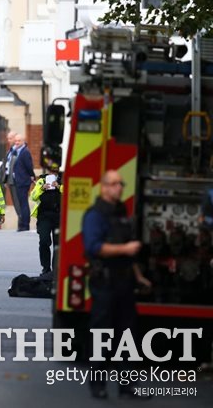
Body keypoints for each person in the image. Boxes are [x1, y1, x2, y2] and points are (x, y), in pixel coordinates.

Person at [82, 170, 151, 400]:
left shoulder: (122, 214)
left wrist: (138, 276)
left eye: (120, 184)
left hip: (125, 283)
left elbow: (128, 253)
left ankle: (127, 385)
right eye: (114, 184)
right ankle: (98, 385)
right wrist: (125, 249)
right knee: (102, 335)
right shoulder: (94, 215)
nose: (119, 187)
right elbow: (95, 247)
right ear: (103, 187)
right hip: (105, 282)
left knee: (127, 337)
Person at [30, 160, 62, 275]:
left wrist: (59, 187)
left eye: (55, 169)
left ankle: (56, 270)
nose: (53, 171)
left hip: (59, 216)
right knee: (44, 241)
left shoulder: (64, 180)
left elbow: (69, 193)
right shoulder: (41, 180)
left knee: (58, 245)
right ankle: (46, 268)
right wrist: (42, 188)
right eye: (51, 169)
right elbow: (33, 196)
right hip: (44, 216)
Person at [11, 134, 35, 231]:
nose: (16, 143)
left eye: (19, 141)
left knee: (24, 203)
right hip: (19, 180)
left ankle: (25, 224)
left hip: (23, 181)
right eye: (15, 141)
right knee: (21, 203)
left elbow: (29, 166)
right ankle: (22, 223)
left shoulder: (25, 152)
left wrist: (32, 175)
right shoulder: (18, 151)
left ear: (23, 141)